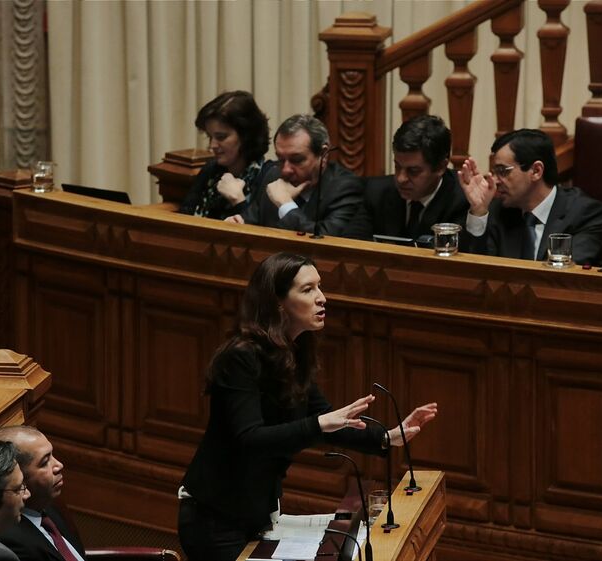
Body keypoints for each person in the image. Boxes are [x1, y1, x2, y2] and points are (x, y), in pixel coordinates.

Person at [176, 252, 438, 561]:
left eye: (320, 287)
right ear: (277, 302)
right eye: (308, 289)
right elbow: (250, 439)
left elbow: (328, 421)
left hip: (255, 513)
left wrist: (387, 437)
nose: (322, 298)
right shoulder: (241, 357)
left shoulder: (294, 352)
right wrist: (319, 425)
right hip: (214, 519)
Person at [458, 128, 602, 265]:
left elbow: (565, 277)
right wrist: (478, 211)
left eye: (502, 171)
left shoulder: (585, 214)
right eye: (494, 172)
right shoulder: (497, 210)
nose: (495, 181)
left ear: (536, 171)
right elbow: (474, 271)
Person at [226, 115, 365, 237]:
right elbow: (251, 221)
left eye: (297, 160)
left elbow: (324, 241)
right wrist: (237, 223)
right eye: (281, 159)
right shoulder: (273, 175)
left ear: (324, 154)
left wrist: (286, 205)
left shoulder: (345, 188)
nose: (285, 170)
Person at [346, 115, 469, 241]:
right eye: (397, 166)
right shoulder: (377, 193)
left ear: (440, 167)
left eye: (413, 171)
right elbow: (350, 249)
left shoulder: (461, 200)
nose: (401, 179)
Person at [0, 425, 86, 561]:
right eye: (45, 462)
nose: (59, 465)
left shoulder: (48, 506)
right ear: (17, 478)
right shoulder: (12, 543)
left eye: (52, 455)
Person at [179, 91, 273, 220]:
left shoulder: (268, 177)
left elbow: (263, 235)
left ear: (246, 136)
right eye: (210, 137)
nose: (212, 145)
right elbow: (184, 218)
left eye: (221, 137)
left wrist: (238, 201)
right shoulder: (210, 169)